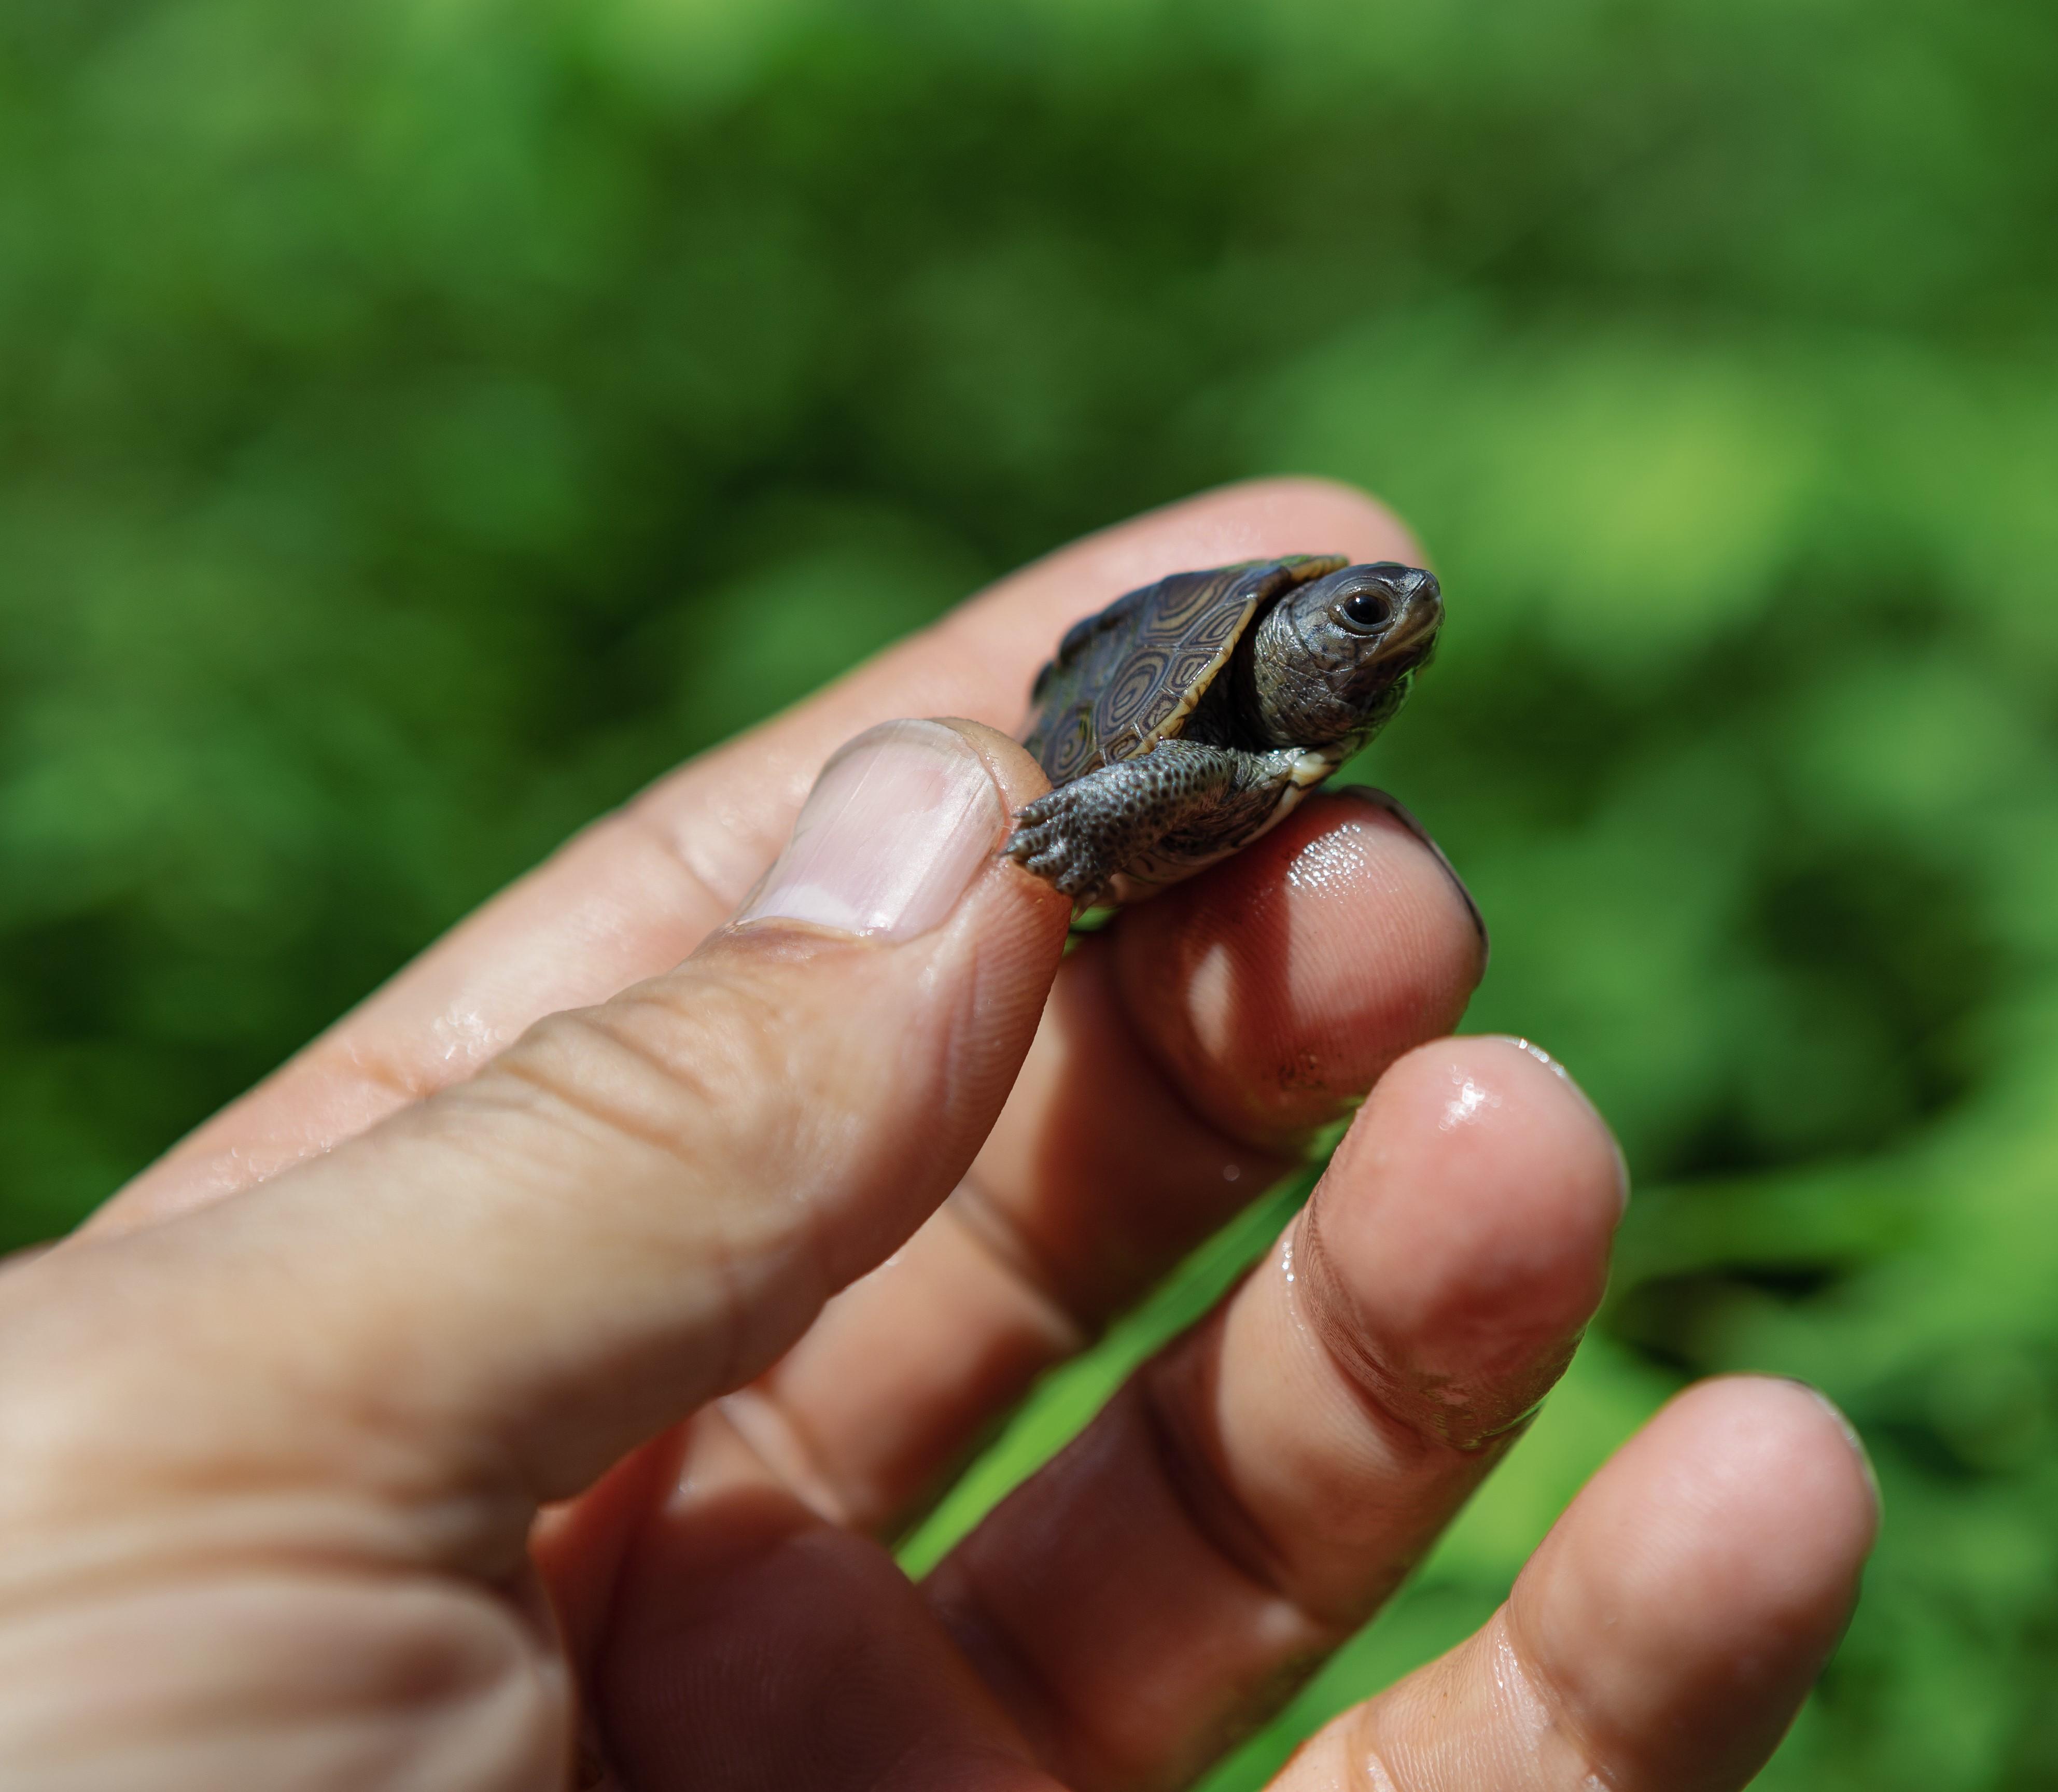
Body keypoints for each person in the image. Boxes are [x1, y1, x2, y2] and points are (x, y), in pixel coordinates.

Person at [0, 481, 1879, 1789]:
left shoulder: (1303, 738)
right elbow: (1144, 779)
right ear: (1287, 649)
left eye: (1387, 628)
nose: (1393, 632)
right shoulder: (1203, 747)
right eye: (1359, 622)